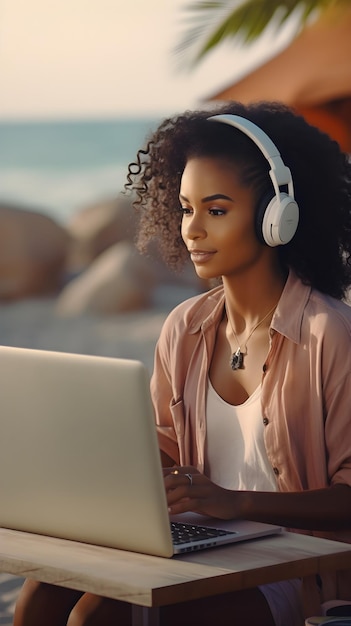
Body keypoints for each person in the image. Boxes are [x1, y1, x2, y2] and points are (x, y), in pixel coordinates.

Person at [14, 101, 351, 626]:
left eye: (216, 210)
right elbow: (168, 450)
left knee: (96, 616)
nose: (193, 229)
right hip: (206, 544)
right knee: (42, 593)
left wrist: (236, 504)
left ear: (276, 216)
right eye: (186, 208)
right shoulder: (184, 328)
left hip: (296, 568)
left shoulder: (328, 333)